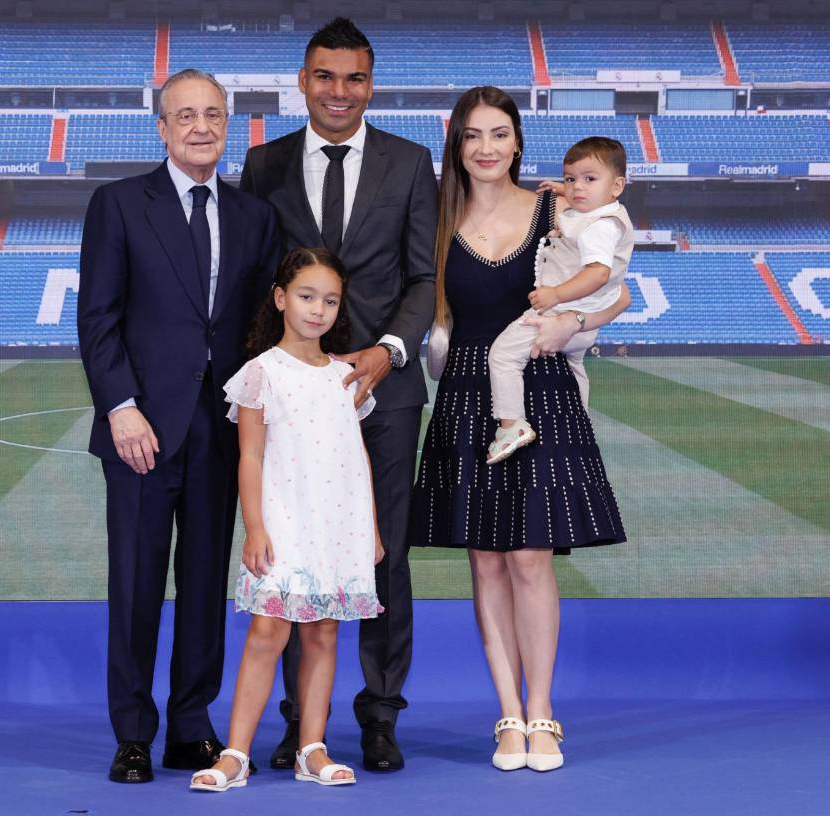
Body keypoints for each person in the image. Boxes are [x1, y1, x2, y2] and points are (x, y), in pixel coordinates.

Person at [410, 86, 629, 774]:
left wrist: (577, 321)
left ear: (517, 141)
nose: (485, 148)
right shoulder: (436, 217)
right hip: (467, 393)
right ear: (457, 142)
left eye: (498, 133)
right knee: (486, 560)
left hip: (541, 390)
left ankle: (543, 712)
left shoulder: (556, 208)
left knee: (531, 557)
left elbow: (619, 288)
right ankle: (507, 714)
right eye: (473, 135)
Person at [240, 16, 437, 774]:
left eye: (355, 78)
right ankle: (301, 722)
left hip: (384, 394)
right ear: (303, 80)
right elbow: (260, 280)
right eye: (325, 76)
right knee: (295, 558)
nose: (339, 92)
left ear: (370, 84)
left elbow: (422, 277)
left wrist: (388, 352)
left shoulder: (410, 162)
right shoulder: (264, 165)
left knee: (383, 553)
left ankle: (380, 715)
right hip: (295, 398)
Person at [77, 68, 279, 784]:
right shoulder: (119, 205)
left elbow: (258, 330)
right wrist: (122, 407)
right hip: (141, 431)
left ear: (230, 125)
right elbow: (98, 320)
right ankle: (133, 732)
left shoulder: (254, 216)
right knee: (134, 586)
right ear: (161, 128)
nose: (200, 127)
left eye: (213, 115)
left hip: (220, 432)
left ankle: (190, 725)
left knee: (202, 584)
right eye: (185, 115)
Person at [190, 247, 384, 792]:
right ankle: (235, 754)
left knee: (323, 632)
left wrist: (368, 527)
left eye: (329, 300)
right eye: (305, 296)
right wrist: (254, 527)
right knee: (267, 631)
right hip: (283, 522)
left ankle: (312, 749)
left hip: (337, 524)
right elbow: (249, 456)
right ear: (280, 299)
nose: (317, 309)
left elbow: (357, 454)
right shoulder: (260, 374)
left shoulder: (346, 376)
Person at [486, 136, 634, 464]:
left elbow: (596, 273)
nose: (577, 188)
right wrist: (565, 190)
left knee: (503, 356)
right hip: (584, 324)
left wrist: (555, 294)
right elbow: (586, 196)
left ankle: (511, 424)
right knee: (575, 364)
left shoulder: (599, 228)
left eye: (589, 179)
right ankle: (580, 423)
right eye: (571, 179)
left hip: (563, 311)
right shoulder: (604, 211)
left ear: (617, 186)